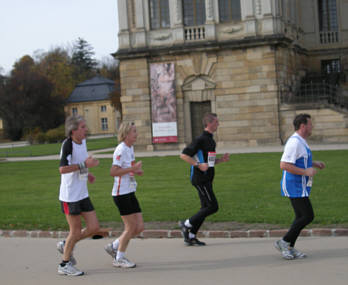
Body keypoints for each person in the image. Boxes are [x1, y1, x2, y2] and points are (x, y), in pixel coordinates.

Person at [275, 113, 325, 259]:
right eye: (310, 124)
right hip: (293, 185)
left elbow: (299, 159)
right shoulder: (294, 142)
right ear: (303, 126)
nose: (312, 127)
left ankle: (289, 246)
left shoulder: (301, 141)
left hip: (300, 185)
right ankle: (283, 242)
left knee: (300, 216)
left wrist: (314, 163)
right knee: (308, 215)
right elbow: (284, 165)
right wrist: (305, 171)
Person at [57, 115, 101, 276]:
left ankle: (66, 243)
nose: (86, 129)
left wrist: (87, 173)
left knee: (94, 227)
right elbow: (62, 169)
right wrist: (84, 165)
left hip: (82, 193)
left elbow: (82, 162)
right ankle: (64, 264)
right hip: (70, 196)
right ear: (73, 130)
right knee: (75, 231)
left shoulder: (82, 142)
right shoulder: (67, 145)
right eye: (82, 127)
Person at [179, 113, 230, 246]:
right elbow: (184, 155)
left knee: (204, 207)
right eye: (216, 122)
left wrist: (221, 160)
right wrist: (198, 165)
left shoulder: (211, 140)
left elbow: (209, 162)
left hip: (207, 178)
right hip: (200, 179)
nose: (218, 124)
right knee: (213, 206)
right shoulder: (200, 139)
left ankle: (191, 236)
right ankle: (185, 224)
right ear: (209, 123)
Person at [104, 122, 144, 268]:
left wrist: (136, 170)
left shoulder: (130, 148)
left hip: (130, 191)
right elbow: (113, 172)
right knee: (131, 227)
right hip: (121, 194)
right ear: (126, 134)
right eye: (134, 131)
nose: (136, 134)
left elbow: (130, 166)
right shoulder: (120, 150)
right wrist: (131, 169)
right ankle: (119, 258)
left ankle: (114, 245)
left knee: (139, 227)